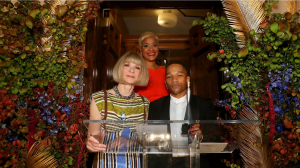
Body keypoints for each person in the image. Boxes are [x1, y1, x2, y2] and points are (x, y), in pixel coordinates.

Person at [86, 52, 150, 168]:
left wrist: (129, 142)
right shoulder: (99, 98)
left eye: (137, 67)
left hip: (134, 163)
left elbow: (144, 141)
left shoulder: (144, 103)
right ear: (119, 68)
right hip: (105, 162)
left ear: (142, 73)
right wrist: (92, 143)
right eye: (127, 65)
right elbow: (94, 135)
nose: (132, 70)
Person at [148, 63, 215, 168]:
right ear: (165, 82)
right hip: (165, 164)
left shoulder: (204, 105)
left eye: (179, 75)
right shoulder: (155, 106)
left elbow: (216, 137)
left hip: (196, 162)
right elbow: (150, 141)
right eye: (169, 76)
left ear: (187, 79)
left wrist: (202, 137)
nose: (174, 79)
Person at [134, 32, 169, 102]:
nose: (151, 49)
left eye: (154, 45)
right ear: (141, 50)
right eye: (146, 46)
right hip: (141, 111)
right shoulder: (134, 71)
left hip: (163, 111)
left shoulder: (166, 72)